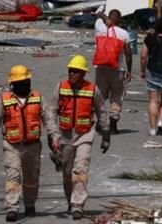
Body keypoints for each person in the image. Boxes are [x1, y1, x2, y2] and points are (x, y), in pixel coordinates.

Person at [0, 65, 58, 222]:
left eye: (26, 81)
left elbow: (48, 119)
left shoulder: (38, 98)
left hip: (33, 146)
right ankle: (12, 208)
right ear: (13, 84)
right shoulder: (5, 100)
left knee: (31, 178)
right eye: (20, 82)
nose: (24, 85)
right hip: (11, 146)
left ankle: (29, 204)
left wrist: (54, 136)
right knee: (13, 175)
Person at [47, 55, 110, 220]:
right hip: (65, 135)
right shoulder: (60, 87)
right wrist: (52, 134)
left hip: (85, 135)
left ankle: (78, 205)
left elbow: (102, 111)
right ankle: (70, 200)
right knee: (67, 172)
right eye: (70, 71)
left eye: (76, 72)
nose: (72, 74)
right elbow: (51, 111)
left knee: (80, 170)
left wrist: (106, 134)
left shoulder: (92, 90)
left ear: (83, 74)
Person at [92, 9, 133, 134]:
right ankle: (113, 124)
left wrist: (104, 16)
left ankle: (101, 123)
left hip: (101, 69)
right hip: (117, 70)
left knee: (100, 97)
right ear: (119, 20)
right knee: (116, 97)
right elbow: (128, 54)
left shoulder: (99, 28)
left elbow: (98, 15)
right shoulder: (124, 34)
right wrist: (129, 70)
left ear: (109, 18)